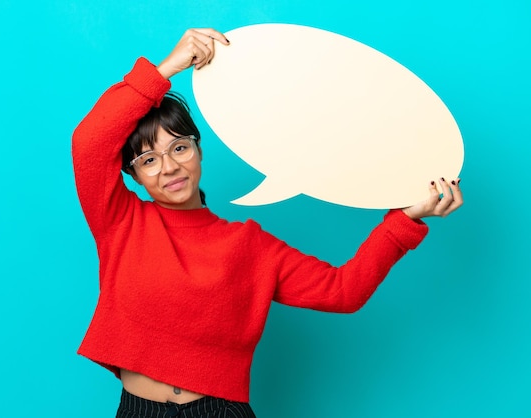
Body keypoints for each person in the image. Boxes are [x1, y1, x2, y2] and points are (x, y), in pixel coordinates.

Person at [72, 28, 463, 418]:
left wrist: (405, 220)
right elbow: (89, 143)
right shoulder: (121, 222)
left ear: (198, 150)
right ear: (134, 175)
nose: (170, 166)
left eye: (179, 147)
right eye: (149, 159)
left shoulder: (249, 244)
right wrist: (165, 70)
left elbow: (342, 291)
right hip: (140, 410)